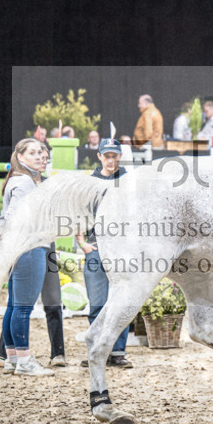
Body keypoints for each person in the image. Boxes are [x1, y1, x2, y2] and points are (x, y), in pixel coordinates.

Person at [0, 138, 55, 376]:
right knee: (22, 308)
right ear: (20, 157)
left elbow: (4, 216)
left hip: (19, 248)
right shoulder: (26, 183)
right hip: (29, 248)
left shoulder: (16, 180)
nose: (41, 156)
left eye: (42, 152)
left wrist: (2, 239)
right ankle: (25, 361)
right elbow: (14, 216)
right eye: (33, 153)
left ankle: (12, 358)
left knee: (14, 306)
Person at [76, 138, 132, 369]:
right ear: (99, 156)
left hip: (123, 249)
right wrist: (82, 243)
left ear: (119, 156)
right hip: (96, 246)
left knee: (122, 302)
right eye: (106, 155)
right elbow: (79, 213)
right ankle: (98, 350)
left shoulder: (129, 181)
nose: (110, 159)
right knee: (97, 303)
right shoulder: (89, 183)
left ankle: (118, 352)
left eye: (114, 155)